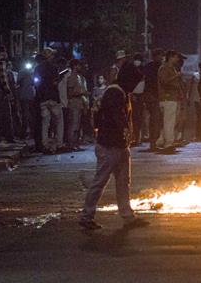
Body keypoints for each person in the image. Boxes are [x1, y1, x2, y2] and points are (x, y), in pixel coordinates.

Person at [79, 84, 145, 230]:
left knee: (120, 181)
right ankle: (87, 216)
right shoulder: (116, 93)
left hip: (114, 144)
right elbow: (118, 117)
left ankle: (126, 216)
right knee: (103, 181)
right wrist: (126, 132)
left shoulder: (115, 91)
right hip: (112, 145)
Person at [35, 48, 64, 154]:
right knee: (59, 122)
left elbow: (36, 83)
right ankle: (59, 144)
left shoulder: (37, 68)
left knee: (45, 124)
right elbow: (55, 82)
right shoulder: (54, 68)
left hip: (43, 99)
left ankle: (45, 145)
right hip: (53, 98)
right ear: (50, 56)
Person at [156, 50, 185, 152]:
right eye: (176, 57)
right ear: (171, 57)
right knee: (169, 122)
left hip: (172, 98)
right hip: (167, 98)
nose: (177, 60)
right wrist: (176, 76)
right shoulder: (164, 68)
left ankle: (160, 141)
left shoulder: (171, 68)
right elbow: (164, 81)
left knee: (170, 121)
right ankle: (168, 143)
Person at [60, 59, 88, 150]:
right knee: (73, 124)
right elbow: (70, 93)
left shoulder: (79, 77)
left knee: (77, 125)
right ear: (75, 66)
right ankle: (71, 144)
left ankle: (75, 144)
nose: (80, 67)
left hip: (79, 103)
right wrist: (81, 93)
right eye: (79, 65)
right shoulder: (71, 77)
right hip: (74, 103)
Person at [0, 45, 15, 145]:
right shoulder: (0, 62)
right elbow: (3, 79)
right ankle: (5, 136)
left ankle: (0, 136)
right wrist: (9, 92)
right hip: (1, 91)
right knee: (4, 114)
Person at [141, 48, 164, 151]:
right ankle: (154, 142)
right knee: (155, 119)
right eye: (160, 55)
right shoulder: (158, 67)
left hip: (153, 95)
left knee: (155, 120)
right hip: (153, 96)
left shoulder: (149, 66)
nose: (161, 57)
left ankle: (155, 142)